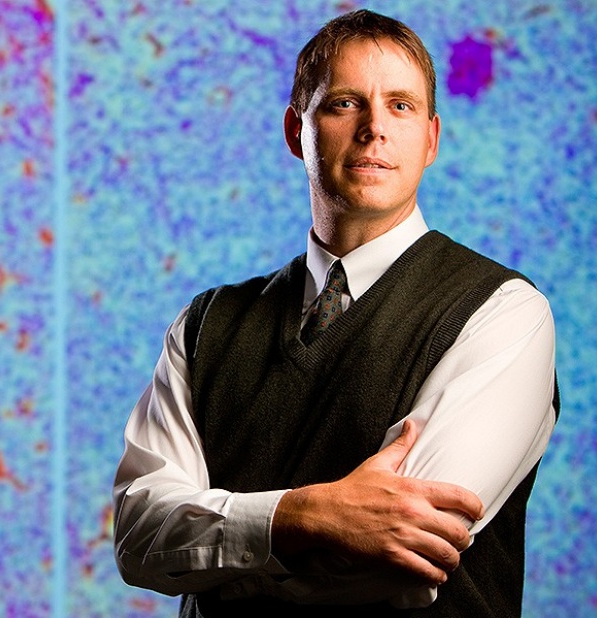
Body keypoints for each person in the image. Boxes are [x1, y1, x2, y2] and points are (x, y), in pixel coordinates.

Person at [113, 9, 558, 617]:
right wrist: (304, 518)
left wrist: (218, 555)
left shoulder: (502, 313)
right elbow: (139, 536)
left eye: (401, 105)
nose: (375, 128)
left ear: (431, 139)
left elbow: (395, 561)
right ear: (297, 131)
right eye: (344, 103)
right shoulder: (206, 325)